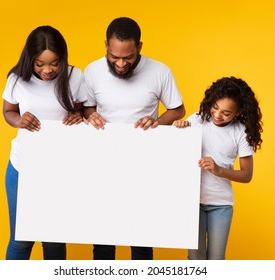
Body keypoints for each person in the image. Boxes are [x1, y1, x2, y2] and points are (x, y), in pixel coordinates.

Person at [83, 17, 185, 260]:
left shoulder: (160, 71)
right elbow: (85, 108)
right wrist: (91, 114)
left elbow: (178, 110)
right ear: (106, 45)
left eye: (127, 57)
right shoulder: (92, 71)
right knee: (104, 237)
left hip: (144, 164)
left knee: (140, 236)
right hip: (103, 163)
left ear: (139, 47)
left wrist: (157, 122)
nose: (120, 63)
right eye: (114, 56)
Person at [2, 25, 87, 260]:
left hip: (60, 168)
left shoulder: (74, 76)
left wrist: (78, 117)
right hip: (22, 167)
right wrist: (19, 120)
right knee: (20, 239)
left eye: (54, 63)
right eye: (39, 64)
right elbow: (8, 111)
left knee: (54, 240)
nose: (47, 70)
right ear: (30, 59)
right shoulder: (17, 78)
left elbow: (83, 111)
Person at [173, 76, 263, 260]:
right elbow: (175, 150)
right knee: (195, 259)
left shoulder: (241, 133)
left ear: (238, 112)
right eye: (215, 107)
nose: (217, 115)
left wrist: (218, 170)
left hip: (221, 204)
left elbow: (247, 175)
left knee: (216, 259)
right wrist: (178, 127)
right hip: (192, 201)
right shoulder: (198, 120)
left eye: (226, 113)